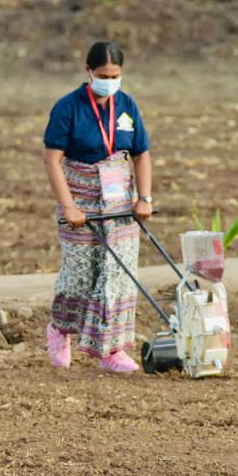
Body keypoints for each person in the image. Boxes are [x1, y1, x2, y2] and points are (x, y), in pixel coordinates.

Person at [43, 41, 153, 374]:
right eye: (103, 74)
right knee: (80, 275)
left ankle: (112, 349)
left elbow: (141, 153)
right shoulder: (68, 108)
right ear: (88, 71)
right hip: (82, 200)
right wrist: (69, 207)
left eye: (115, 75)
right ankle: (61, 329)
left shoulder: (127, 105)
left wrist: (144, 198)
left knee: (117, 276)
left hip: (120, 202)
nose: (109, 80)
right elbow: (52, 159)